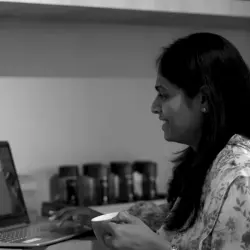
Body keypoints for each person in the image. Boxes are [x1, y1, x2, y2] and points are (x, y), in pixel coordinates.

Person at [51, 32, 250, 250]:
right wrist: (104, 220)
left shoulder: (239, 179)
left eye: (163, 95)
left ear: (203, 99)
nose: (154, 107)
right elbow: (180, 226)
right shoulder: (206, 160)